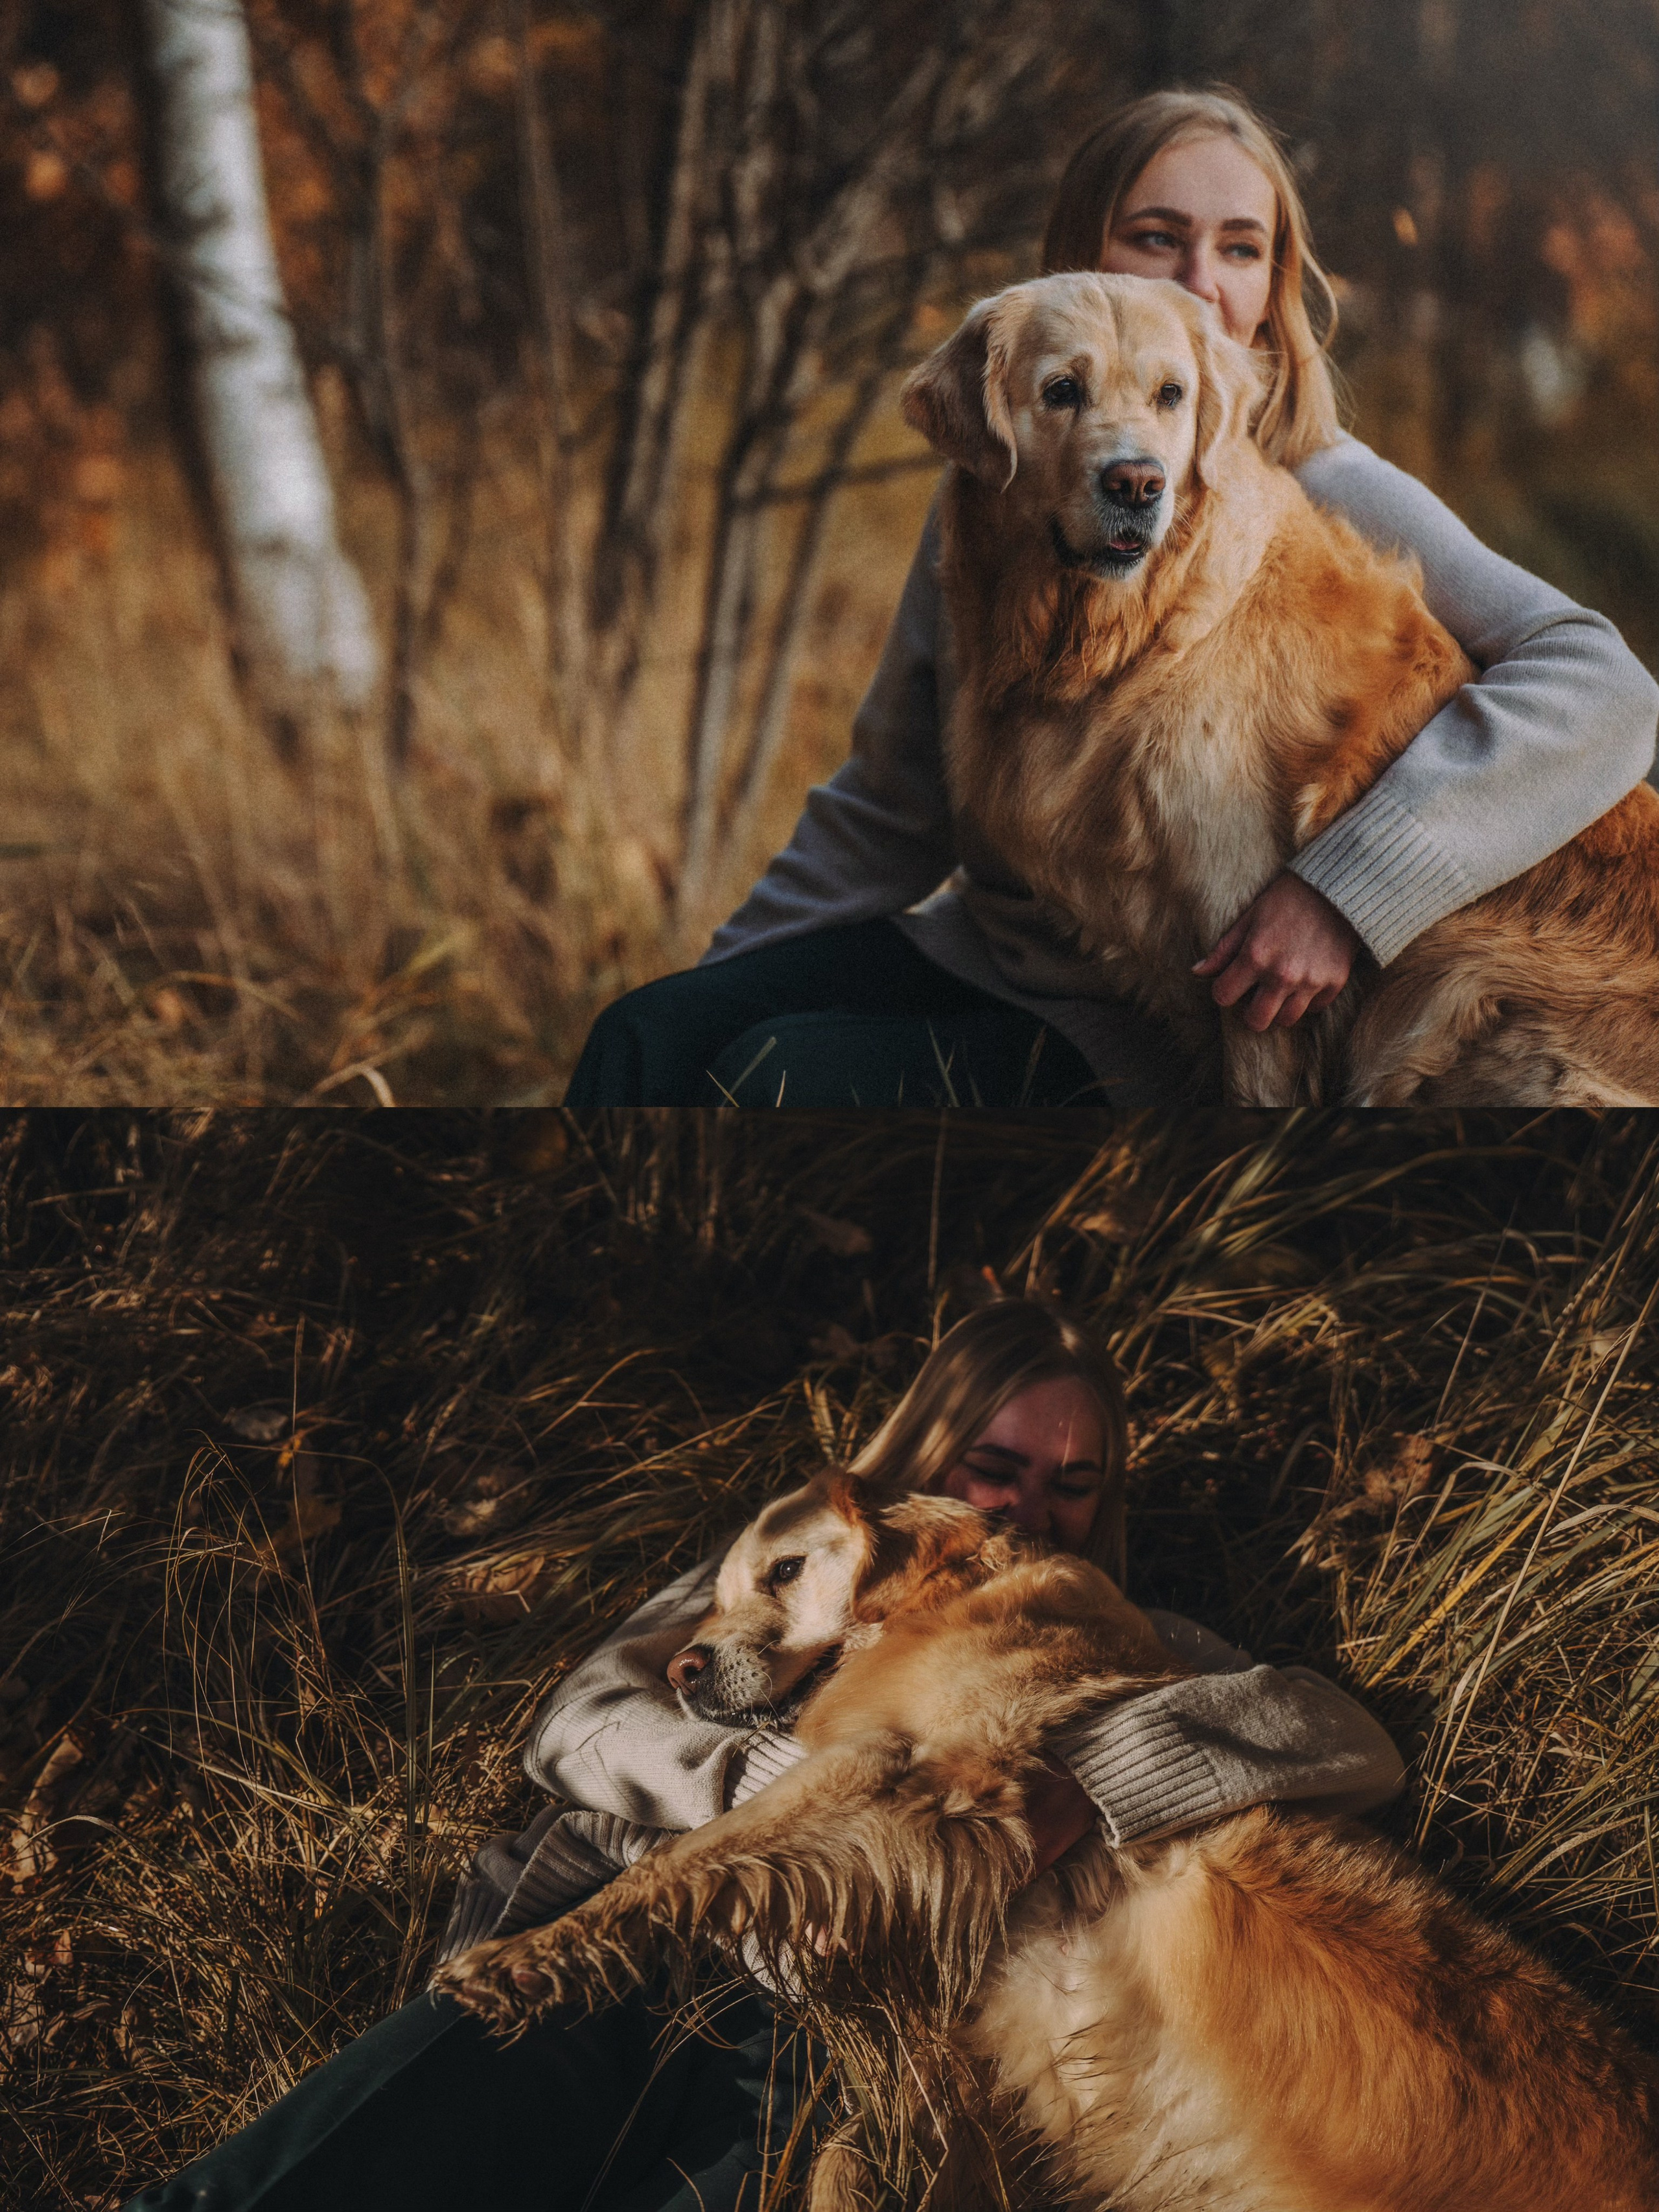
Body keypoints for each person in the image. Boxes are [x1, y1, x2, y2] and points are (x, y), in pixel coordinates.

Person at [126, 1299, 1405, 2211]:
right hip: (634, 1958)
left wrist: (1094, 1782)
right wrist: (820, 1806)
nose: (1027, 1507)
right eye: (994, 1467)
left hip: (849, 2047)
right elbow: (580, 1724)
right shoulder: (786, 1567)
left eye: (1073, 1485)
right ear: (925, 1450)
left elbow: (1342, 1738)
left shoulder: (1131, 1634)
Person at [565, 88, 1659, 1108]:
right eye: (1156, 236)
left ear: (1273, 283)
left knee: (769, 1080)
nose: (1199, 282)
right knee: (645, 1041)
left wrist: (1349, 891)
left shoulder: (1326, 485)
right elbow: (891, 808)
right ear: (1080, 251)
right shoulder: (1001, 486)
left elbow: (1603, 682)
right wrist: (717, 980)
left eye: (1241, 248)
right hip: (992, 957)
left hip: (1150, 1024)